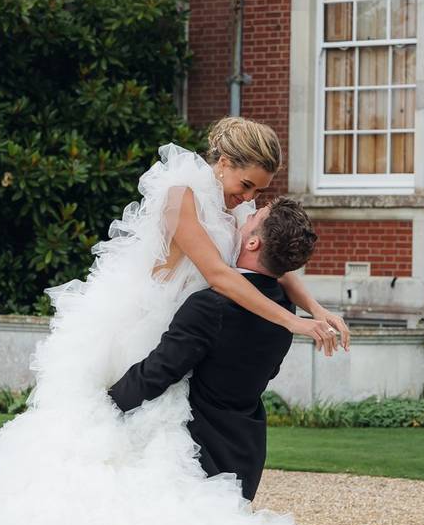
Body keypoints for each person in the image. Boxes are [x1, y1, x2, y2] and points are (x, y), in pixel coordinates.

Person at [0, 117, 418, 525]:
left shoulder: (238, 206)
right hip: (156, 320)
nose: (250, 198)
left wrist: (318, 308)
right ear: (222, 162)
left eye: (258, 192)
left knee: (159, 457)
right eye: (246, 184)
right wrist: (293, 325)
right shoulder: (182, 198)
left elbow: (270, 260)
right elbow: (224, 276)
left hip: (199, 324)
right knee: (112, 437)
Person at [109, 197, 316, 501]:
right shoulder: (285, 307)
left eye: (253, 217)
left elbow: (159, 371)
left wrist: (106, 406)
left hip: (197, 454)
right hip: (245, 451)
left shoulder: (211, 306)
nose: (243, 218)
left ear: (254, 243)